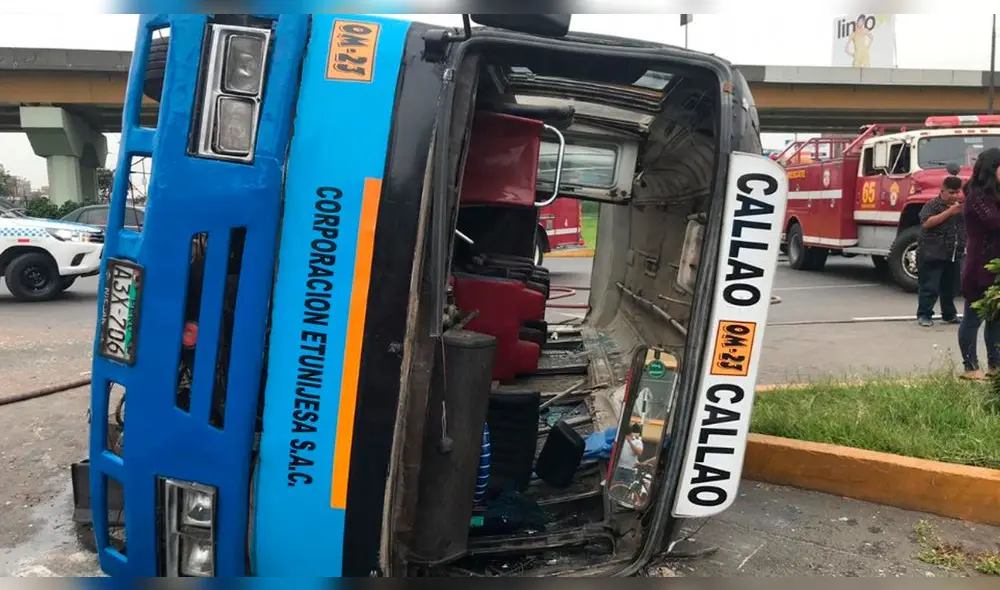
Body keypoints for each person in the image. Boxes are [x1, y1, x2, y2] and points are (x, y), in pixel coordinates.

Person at [959, 148, 1000, 380]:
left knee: (995, 319)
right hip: (979, 266)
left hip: (996, 267)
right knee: (973, 318)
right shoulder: (976, 195)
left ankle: (995, 366)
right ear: (992, 169)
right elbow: (994, 222)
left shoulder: (996, 194)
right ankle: (970, 367)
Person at [916, 176, 966, 327]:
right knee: (929, 287)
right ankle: (924, 315)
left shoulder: (960, 206)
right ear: (942, 191)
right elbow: (926, 223)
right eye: (951, 192)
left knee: (950, 288)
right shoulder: (932, 205)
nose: (954, 196)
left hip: (952, 253)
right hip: (932, 253)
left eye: (957, 192)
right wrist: (949, 212)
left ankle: (949, 315)